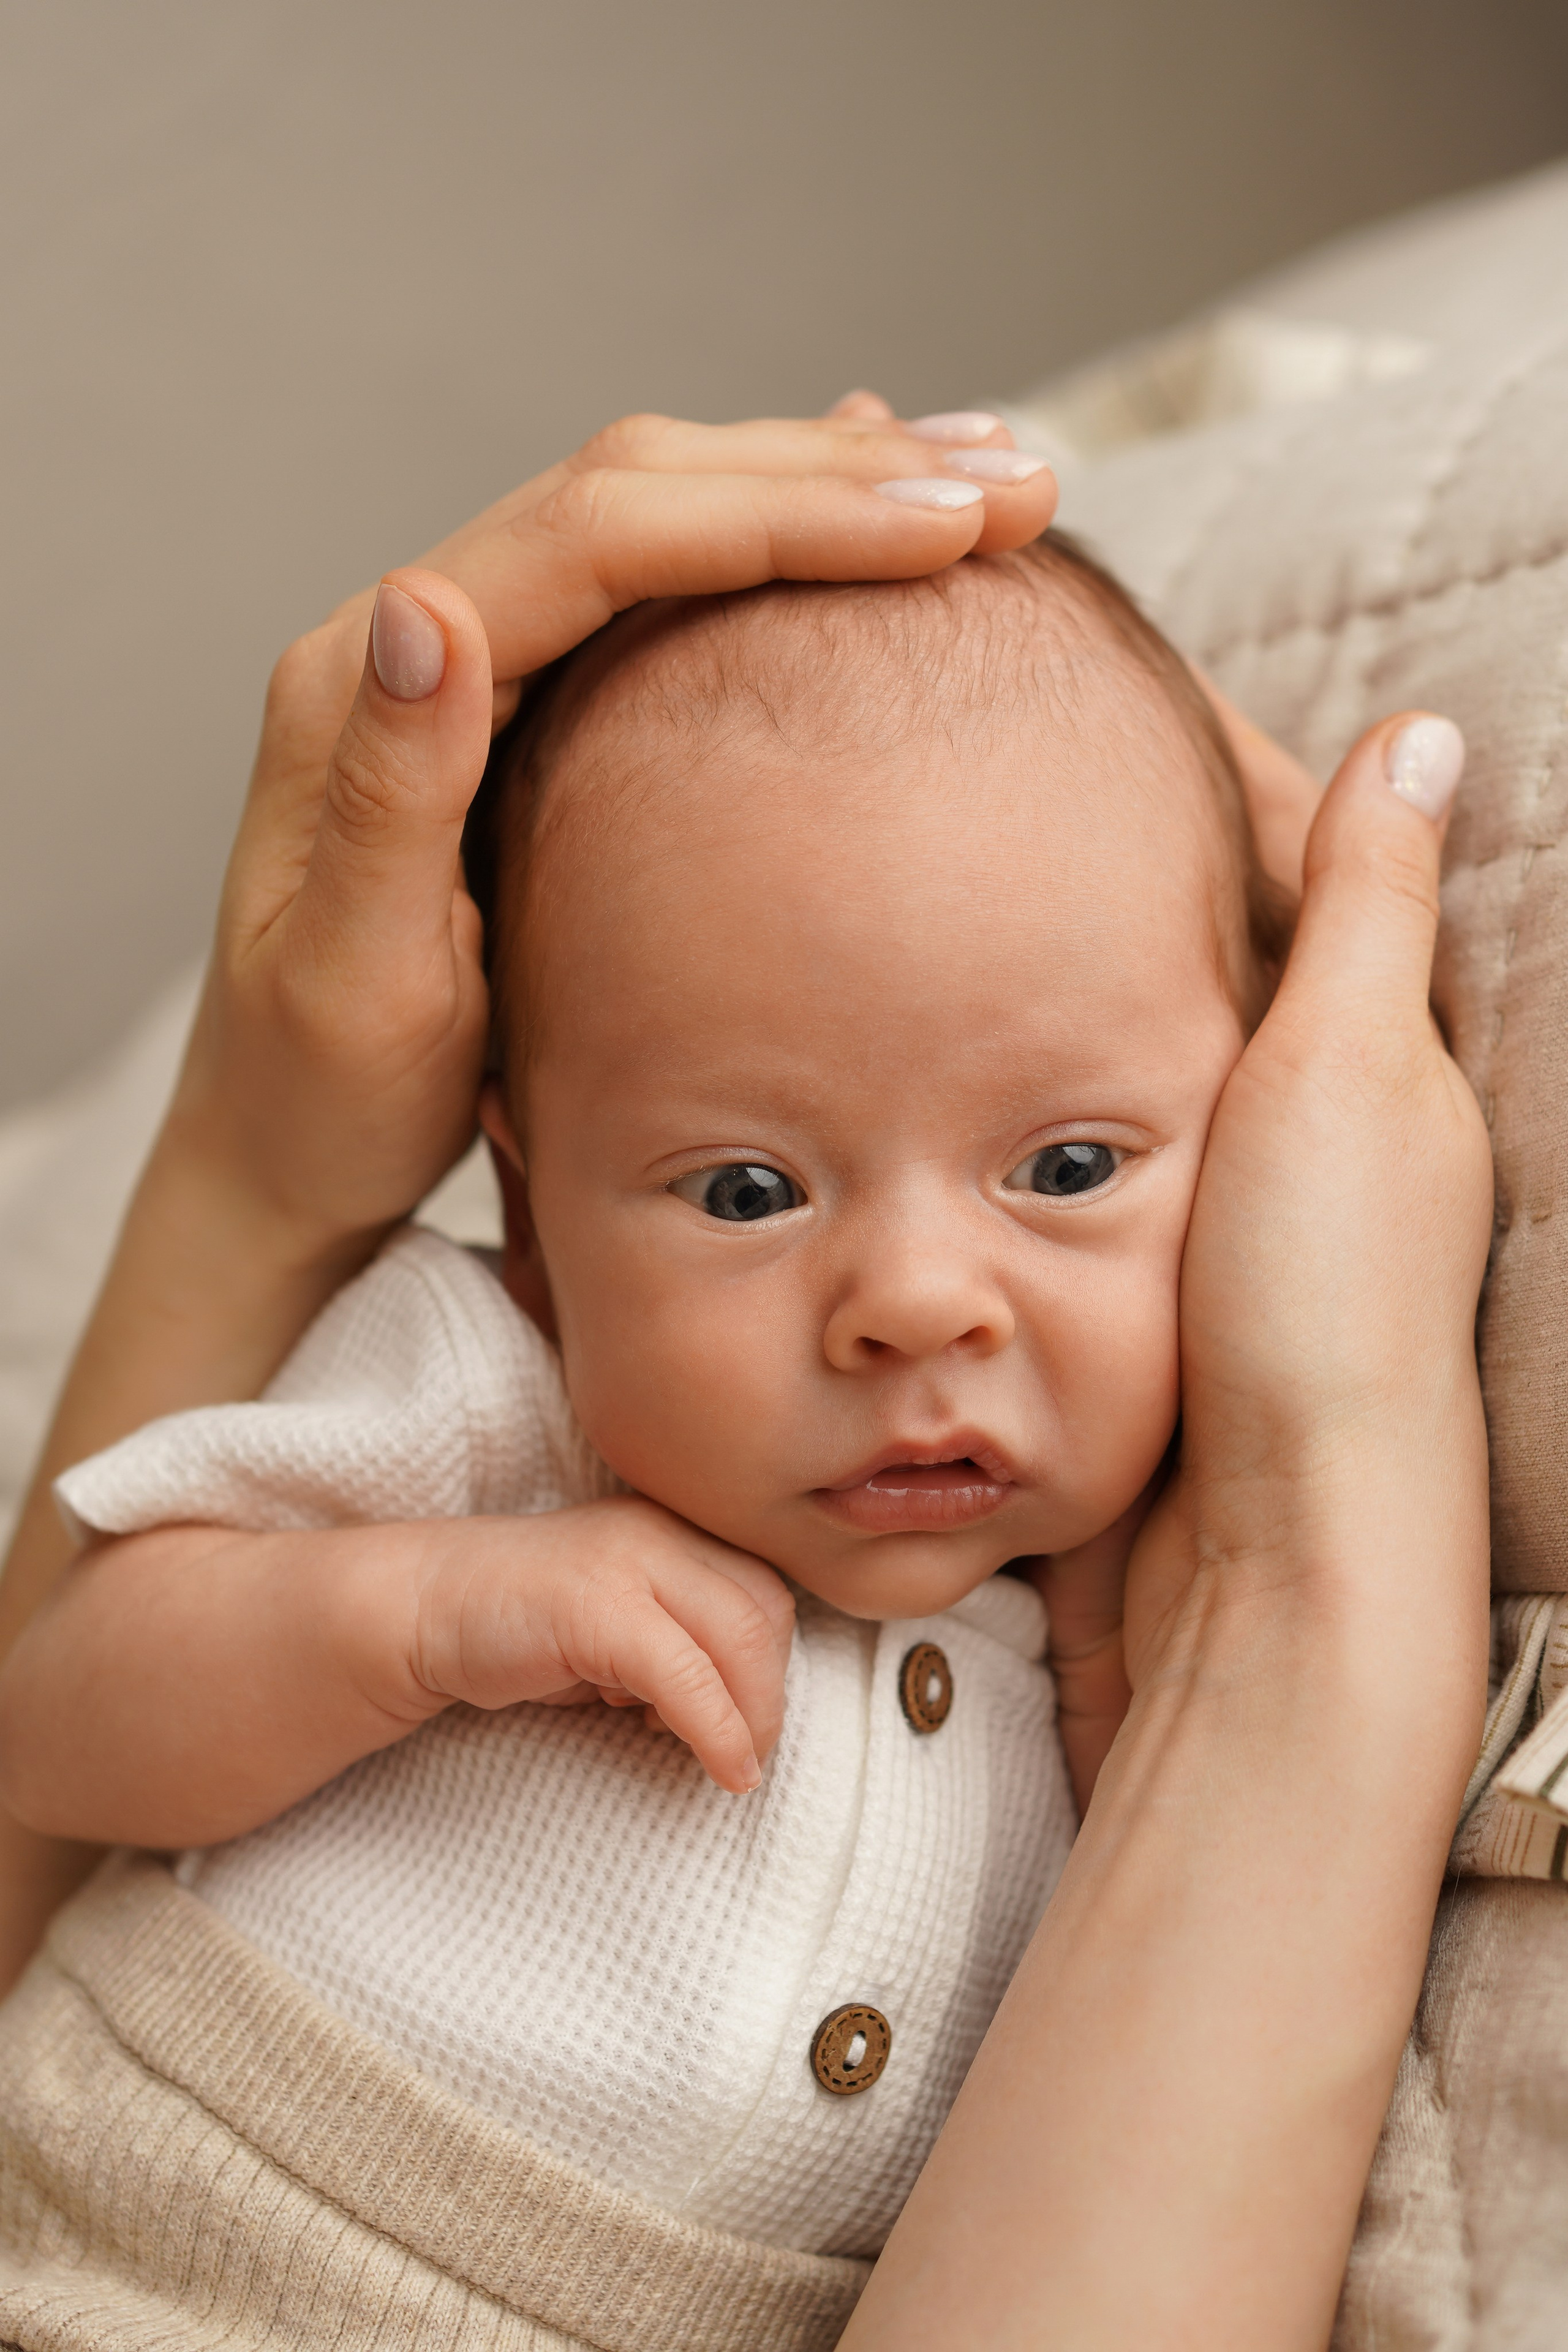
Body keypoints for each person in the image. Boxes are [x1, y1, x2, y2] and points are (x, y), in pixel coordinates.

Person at [0, 401, 1491, 2347]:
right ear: (532, 1222)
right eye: (749, 1189)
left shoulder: (1109, 1607)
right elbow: (54, 1726)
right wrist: (410, 1613)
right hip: (158, 2250)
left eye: (1064, 1169)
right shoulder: (500, 1393)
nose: (913, 1305)